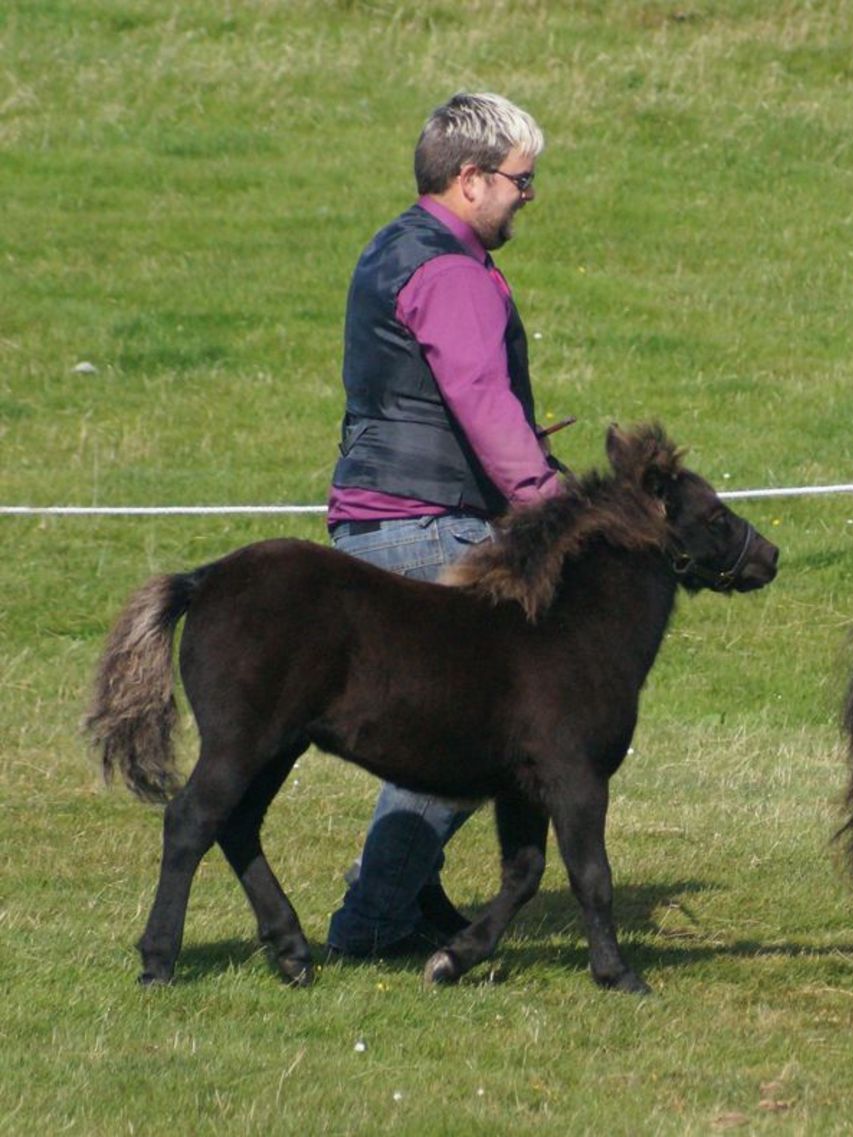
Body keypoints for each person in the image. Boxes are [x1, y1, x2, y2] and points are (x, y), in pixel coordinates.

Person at [323, 91, 566, 958]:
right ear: (470, 179)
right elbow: (480, 402)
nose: (527, 197)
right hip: (431, 526)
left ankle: (412, 903)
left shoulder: (393, 246)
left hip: (374, 517)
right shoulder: (455, 272)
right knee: (470, 734)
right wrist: (549, 500)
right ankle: (373, 917)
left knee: (427, 728)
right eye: (519, 181)